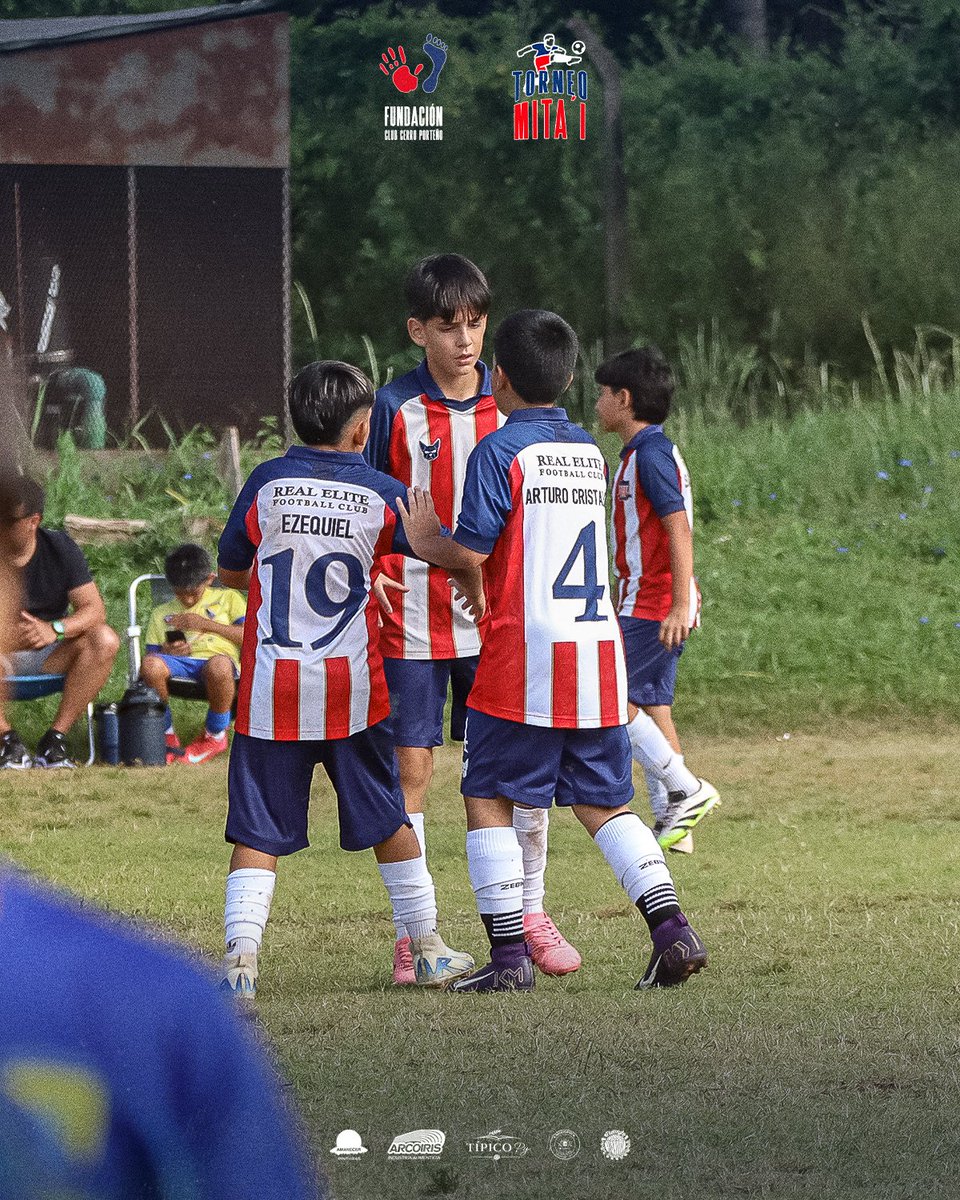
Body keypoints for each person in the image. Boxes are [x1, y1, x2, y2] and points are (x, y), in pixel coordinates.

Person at [398, 309, 709, 992]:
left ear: (498, 377)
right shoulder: (589, 454)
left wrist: (426, 541)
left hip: (526, 658)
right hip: (596, 657)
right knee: (606, 805)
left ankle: (509, 961)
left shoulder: (500, 451)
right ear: (568, 379)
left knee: (485, 795)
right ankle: (672, 929)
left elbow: (473, 548)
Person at [215, 360, 475, 999]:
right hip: (349, 691)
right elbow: (433, 548)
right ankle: (430, 948)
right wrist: (464, 575)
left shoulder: (268, 482)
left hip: (272, 687)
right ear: (364, 430)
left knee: (256, 829)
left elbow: (229, 568)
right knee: (389, 817)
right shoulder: (384, 494)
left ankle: (240, 965)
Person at [366, 253, 580, 984]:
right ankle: (416, 932)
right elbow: (371, 501)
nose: (465, 340)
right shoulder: (394, 408)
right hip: (417, 622)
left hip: (501, 622)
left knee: (519, 775)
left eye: (477, 323)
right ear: (416, 331)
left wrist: (481, 574)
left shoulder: (510, 404)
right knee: (413, 768)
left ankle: (528, 913)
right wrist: (370, 573)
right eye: (449, 326)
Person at [595, 347, 720, 851]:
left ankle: (687, 790)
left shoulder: (650, 455)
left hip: (650, 605)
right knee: (651, 702)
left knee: (612, 694)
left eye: (603, 394)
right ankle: (676, 817)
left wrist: (676, 601)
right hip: (649, 600)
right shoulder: (642, 452)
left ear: (623, 400)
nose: (597, 402)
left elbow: (677, 527)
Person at [0, 475, 119, 769]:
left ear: (33, 520)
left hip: (49, 653)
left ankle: (55, 740)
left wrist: (54, 629)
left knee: (105, 639)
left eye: (7, 521)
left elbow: (93, 609)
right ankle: (7, 741)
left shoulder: (59, 548)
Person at [141, 543, 246, 765]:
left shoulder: (228, 598)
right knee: (151, 665)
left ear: (209, 579)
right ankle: (166, 734)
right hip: (179, 665)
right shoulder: (162, 613)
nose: (187, 600)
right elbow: (150, 658)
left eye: (193, 593)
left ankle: (215, 734)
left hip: (219, 664)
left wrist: (206, 625)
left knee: (218, 665)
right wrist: (166, 651)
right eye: (180, 594)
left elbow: (249, 636)